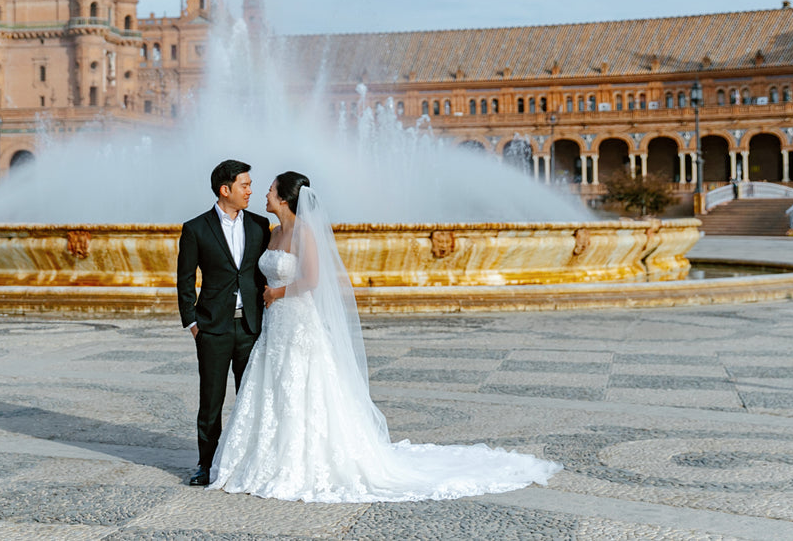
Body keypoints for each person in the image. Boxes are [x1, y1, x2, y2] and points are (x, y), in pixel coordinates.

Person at [210, 171, 562, 503]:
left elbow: (313, 280)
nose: (265, 193)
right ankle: (265, 456)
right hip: (276, 325)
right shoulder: (272, 232)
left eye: (271, 189)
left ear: (285, 198)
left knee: (305, 384)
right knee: (273, 386)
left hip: (299, 321)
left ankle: (304, 459)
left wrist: (277, 293)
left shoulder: (305, 234)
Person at [177, 159, 272, 487]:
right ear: (225, 190)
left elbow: (262, 274)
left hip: (250, 327)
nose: (250, 191)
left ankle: (249, 462)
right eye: (245, 185)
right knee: (211, 400)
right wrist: (192, 323)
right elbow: (185, 279)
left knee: (251, 398)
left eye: (250, 185)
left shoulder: (260, 225)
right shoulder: (196, 228)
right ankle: (205, 464)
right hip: (212, 328)